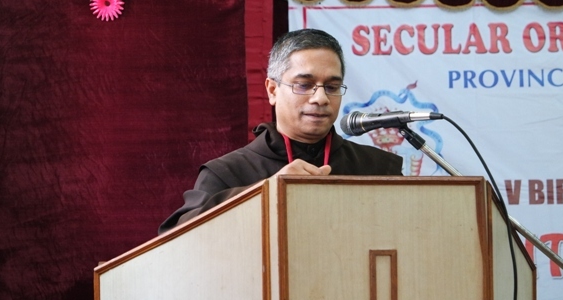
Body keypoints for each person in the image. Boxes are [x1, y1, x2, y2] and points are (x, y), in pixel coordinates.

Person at [158, 28, 403, 234]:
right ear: (272, 90)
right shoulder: (227, 173)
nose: (320, 98)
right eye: (304, 85)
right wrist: (266, 192)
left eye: (331, 87)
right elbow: (177, 237)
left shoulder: (377, 168)